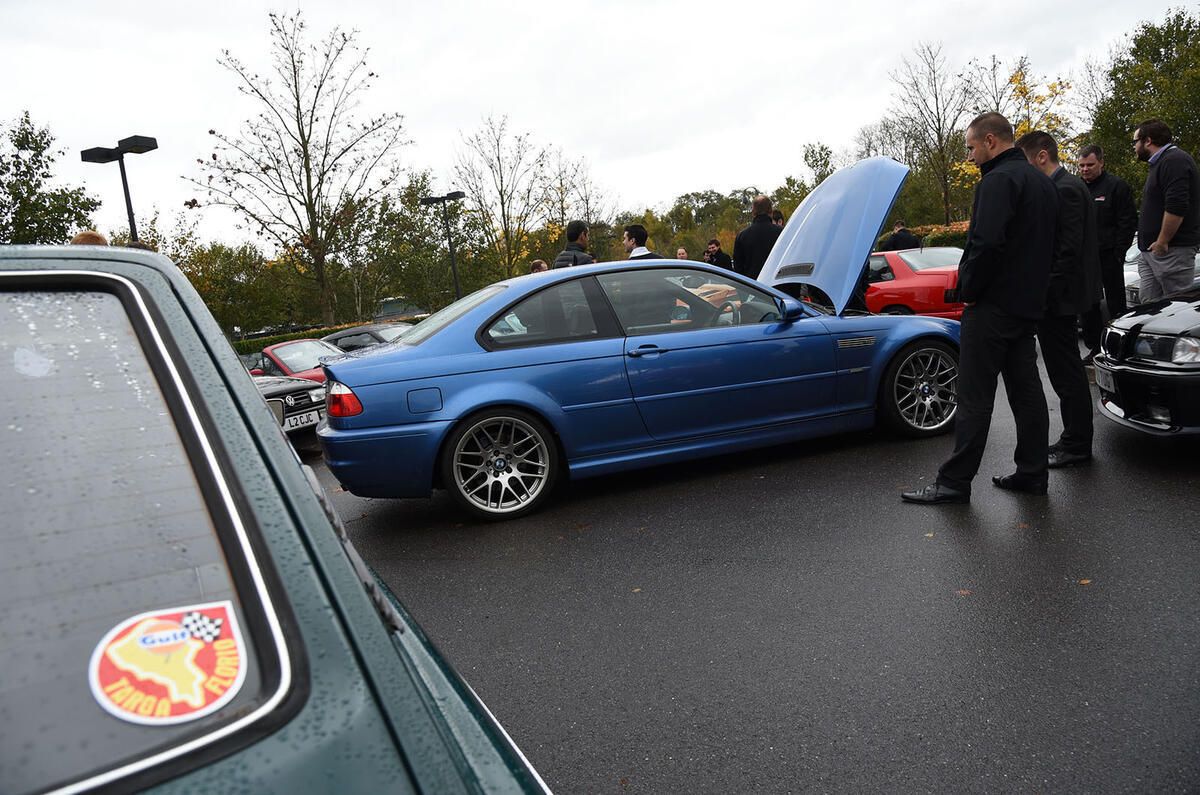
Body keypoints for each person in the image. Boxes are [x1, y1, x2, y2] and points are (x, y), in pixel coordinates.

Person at [902, 112, 1057, 505]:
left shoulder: (998, 181)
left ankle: (954, 482)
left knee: (973, 395)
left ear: (990, 141)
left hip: (992, 306)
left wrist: (969, 291)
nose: (970, 157)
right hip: (1026, 305)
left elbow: (986, 244)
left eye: (971, 147)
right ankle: (1033, 473)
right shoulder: (1043, 183)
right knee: (1026, 391)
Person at [1017, 130, 1099, 469]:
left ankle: (1077, 444)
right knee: (1065, 372)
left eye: (1025, 161)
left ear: (1041, 156)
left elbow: (1067, 251)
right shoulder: (1065, 186)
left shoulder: (1065, 189)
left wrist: (1044, 294)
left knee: (1067, 374)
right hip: (1060, 296)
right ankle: (1072, 437)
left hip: (1060, 299)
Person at [1078, 144, 1137, 359]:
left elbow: (1128, 221)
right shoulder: (1077, 188)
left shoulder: (1116, 186)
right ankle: (1094, 347)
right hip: (1085, 258)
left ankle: (1121, 347)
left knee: (1115, 304)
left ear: (1101, 163)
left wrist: (1119, 252)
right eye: (1082, 166)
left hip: (1109, 255)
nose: (1085, 169)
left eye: (1090, 165)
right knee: (1088, 305)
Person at [1133, 119, 1200, 301]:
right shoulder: (1161, 163)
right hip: (1152, 253)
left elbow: (1177, 205)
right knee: (1148, 309)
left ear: (1148, 140)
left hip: (1171, 252)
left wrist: (1163, 241)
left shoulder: (1175, 160)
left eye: (1135, 141)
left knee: (1176, 307)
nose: (1134, 147)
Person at [733, 195, 783, 279]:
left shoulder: (742, 236)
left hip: (751, 284)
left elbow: (738, 267)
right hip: (776, 282)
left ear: (753, 212)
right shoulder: (781, 233)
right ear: (771, 210)